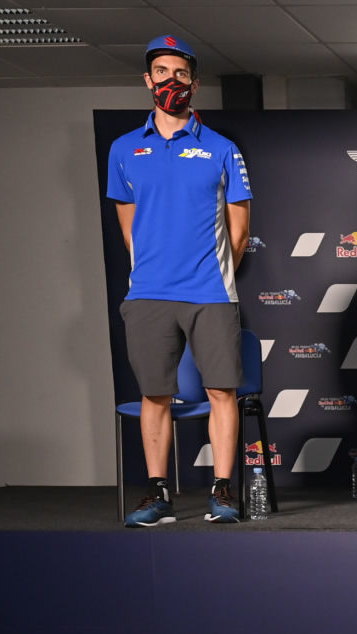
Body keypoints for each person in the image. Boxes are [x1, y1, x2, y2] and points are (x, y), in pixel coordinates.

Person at [107, 36, 253, 527]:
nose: (173, 80)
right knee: (154, 395)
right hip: (148, 293)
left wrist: (214, 274)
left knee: (221, 392)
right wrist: (150, 267)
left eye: (182, 73)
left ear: (193, 82)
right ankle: (157, 494)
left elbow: (239, 227)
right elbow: (128, 220)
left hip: (210, 292)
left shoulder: (221, 149)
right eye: (162, 72)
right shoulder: (125, 149)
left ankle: (223, 490)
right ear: (148, 81)